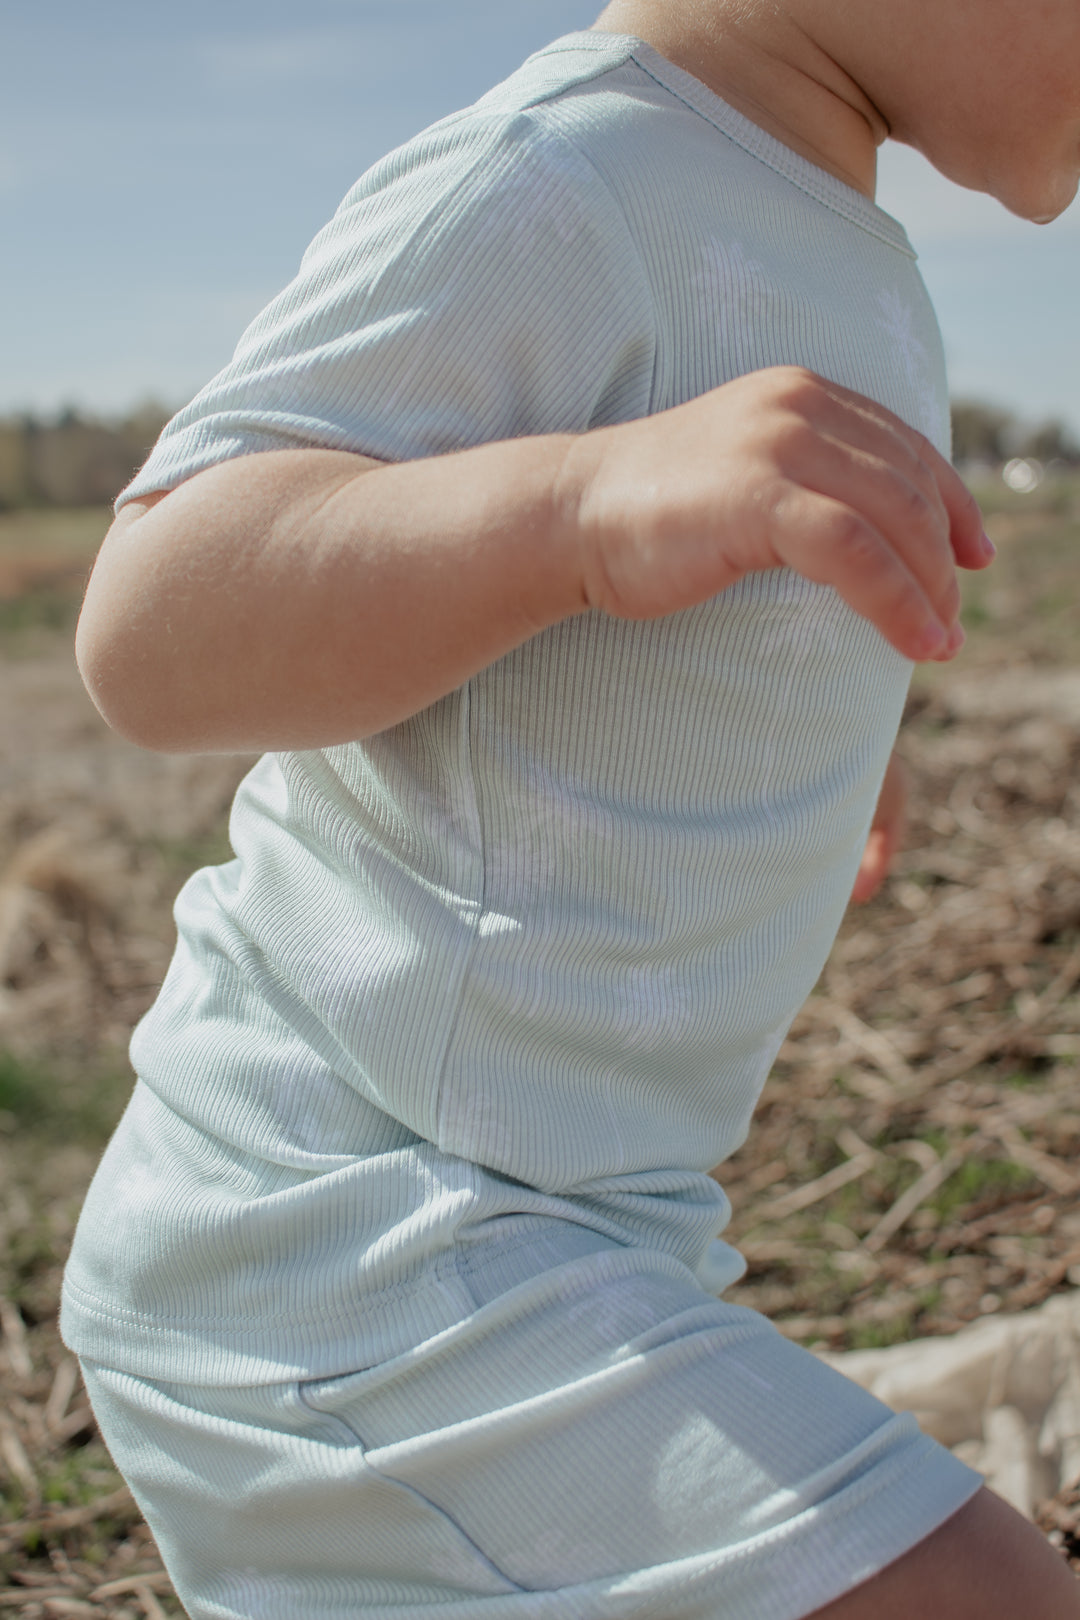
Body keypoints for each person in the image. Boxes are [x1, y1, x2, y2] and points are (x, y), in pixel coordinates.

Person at [63, 0, 1080, 1615]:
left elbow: (693, 585)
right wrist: (578, 506)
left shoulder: (839, 241)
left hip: (573, 1233)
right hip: (356, 1243)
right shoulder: (570, 177)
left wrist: (800, 690)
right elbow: (154, 625)